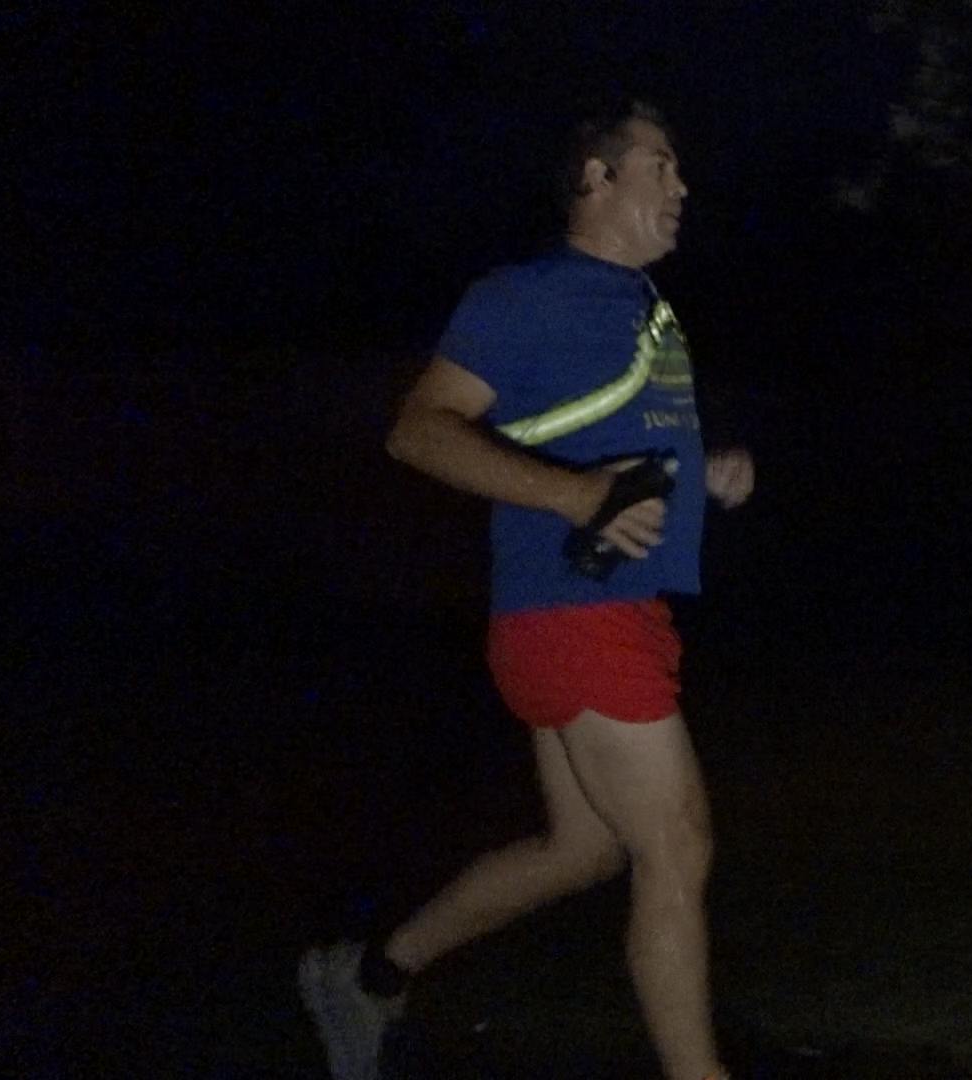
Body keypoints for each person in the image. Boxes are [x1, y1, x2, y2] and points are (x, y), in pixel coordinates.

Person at [299, 98, 752, 1080]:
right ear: (596, 177)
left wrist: (704, 466)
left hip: (600, 612)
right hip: (575, 612)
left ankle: (371, 975)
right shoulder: (524, 295)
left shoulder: (643, 308)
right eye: (661, 166)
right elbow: (418, 430)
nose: (682, 187)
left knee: (585, 849)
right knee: (677, 848)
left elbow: (605, 442)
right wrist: (579, 494)